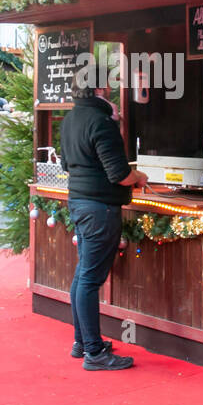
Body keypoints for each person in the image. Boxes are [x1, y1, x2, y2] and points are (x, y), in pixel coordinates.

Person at [60, 85, 148, 369]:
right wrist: (140, 176)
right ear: (98, 89)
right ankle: (94, 353)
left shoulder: (71, 118)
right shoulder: (101, 122)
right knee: (89, 280)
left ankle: (82, 342)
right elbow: (119, 174)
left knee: (82, 276)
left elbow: (65, 164)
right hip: (101, 208)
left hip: (79, 202)